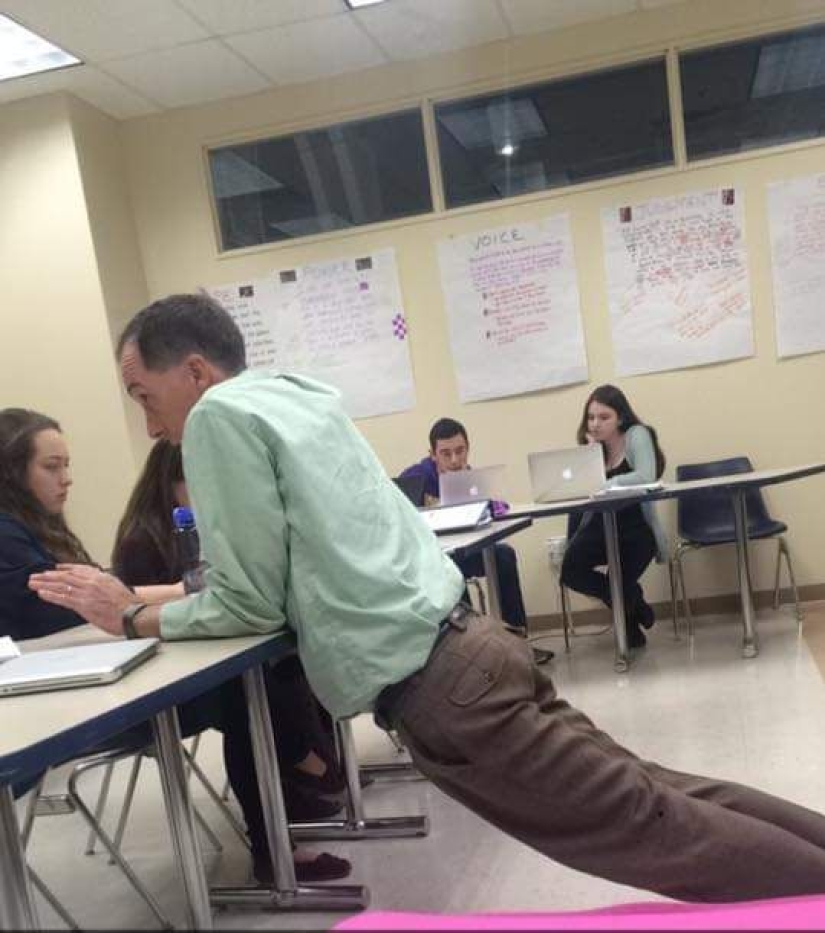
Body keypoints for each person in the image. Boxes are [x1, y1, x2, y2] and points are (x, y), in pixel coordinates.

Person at [30, 294, 825, 903]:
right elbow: (290, 563)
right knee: (660, 796)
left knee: (656, 828)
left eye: (143, 394)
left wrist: (128, 614)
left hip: (442, 687)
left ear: (196, 372)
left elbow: (248, 603)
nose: (149, 422)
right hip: (473, 645)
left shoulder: (216, 419)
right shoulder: (294, 394)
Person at [0, 408, 349, 883]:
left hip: (94, 679)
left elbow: (97, 598)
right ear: (12, 471)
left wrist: (134, 598)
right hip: (67, 710)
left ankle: (299, 787)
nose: (67, 479)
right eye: (51, 466)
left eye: (66, 465)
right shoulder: (9, 533)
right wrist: (174, 594)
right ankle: (295, 799)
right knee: (243, 690)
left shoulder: (39, 529)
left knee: (257, 675)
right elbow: (64, 605)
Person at [112, 437, 346, 821]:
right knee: (249, 693)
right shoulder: (144, 539)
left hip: (208, 651)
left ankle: (312, 773)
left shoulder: (203, 524)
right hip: (170, 678)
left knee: (293, 662)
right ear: (171, 481)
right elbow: (138, 605)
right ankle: (301, 781)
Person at [399, 418, 553, 665]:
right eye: (446, 453)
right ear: (432, 454)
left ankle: (518, 642)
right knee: (451, 572)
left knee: (503, 555)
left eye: (460, 451)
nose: (455, 460)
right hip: (433, 560)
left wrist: (490, 505)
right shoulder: (416, 477)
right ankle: (470, 653)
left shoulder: (471, 478)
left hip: (466, 550)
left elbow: (498, 506)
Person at [560, 385, 668, 650]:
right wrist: (589, 457)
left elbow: (646, 475)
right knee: (570, 571)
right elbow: (582, 492)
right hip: (599, 529)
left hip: (636, 530)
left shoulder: (637, 435)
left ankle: (630, 626)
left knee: (618, 582)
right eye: (591, 417)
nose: (595, 424)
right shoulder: (593, 448)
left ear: (620, 417)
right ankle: (638, 604)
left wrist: (609, 482)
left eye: (604, 417)